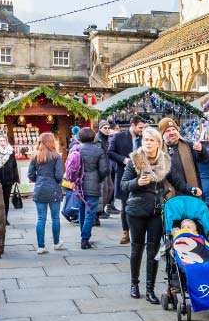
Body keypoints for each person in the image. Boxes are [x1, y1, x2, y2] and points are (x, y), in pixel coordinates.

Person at [122, 127, 199, 303]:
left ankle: (150, 289)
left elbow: (178, 182)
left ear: (158, 143)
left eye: (151, 140)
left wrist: (192, 189)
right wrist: (136, 182)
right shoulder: (135, 161)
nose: (148, 143)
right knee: (137, 248)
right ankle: (134, 284)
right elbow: (124, 185)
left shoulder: (165, 161)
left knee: (153, 250)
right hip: (135, 210)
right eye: (145, 140)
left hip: (156, 210)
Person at [108, 116, 146, 244]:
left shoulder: (144, 138)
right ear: (132, 125)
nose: (142, 130)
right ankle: (126, 232)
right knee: (125, 205)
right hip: (124, 174)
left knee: (142, 203)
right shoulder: (119, 137)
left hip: (141, 175)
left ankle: (139, 232)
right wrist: (124, 160)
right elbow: (110, 152)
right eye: (140, 127)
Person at [28, 132, 65, 253]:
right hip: (53, 189)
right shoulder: (56, 156)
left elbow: (30, 175)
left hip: (40, 189)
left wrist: (39, 180)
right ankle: (56, 243)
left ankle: (41, 247)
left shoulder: (35, 156)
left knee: (41, 218)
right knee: (55, 218)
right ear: (51, 141)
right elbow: (59, 176)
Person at [74, 127, 109, 249]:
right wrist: (97, 179)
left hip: (79, 185)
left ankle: (82, 236)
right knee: (90, 213)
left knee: (82, 211)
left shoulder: (76, 149)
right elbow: (104, 169)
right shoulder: (98, 151)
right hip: (93, 184)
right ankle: (85, 239)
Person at [159, 117, 209, 197]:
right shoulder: (158, 151)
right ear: (162, 134)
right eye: (168, 131)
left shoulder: (188, 145)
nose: (172, 132)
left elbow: (204, 160)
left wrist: (201, 151)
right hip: (170, 196)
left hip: (192, 192)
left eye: (173, 129)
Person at [0, 133, 20, 218]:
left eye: (4, 141)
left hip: (8, 179)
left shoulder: (10, 152)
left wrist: (15, 179)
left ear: (6, 142)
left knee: (6, 199)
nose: (2, 142)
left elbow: (14, 165)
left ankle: (5, 218)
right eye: (0, 141)